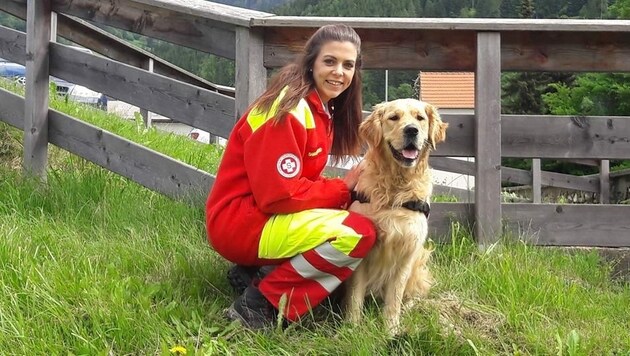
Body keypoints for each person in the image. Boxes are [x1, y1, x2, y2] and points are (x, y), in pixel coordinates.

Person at [205, 24, 376, 329]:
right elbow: (280, 196)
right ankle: (260, 305)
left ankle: (255, 272)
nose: (339, 72)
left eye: (348, 65)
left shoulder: (318, 108)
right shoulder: (289, 109)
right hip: (241, 222)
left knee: (342, 212)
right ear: (310, 63)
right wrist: (343, 189)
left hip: (254, 217)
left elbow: (300, 184)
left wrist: (344, 192)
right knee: (357, 232)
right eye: (330, 61)